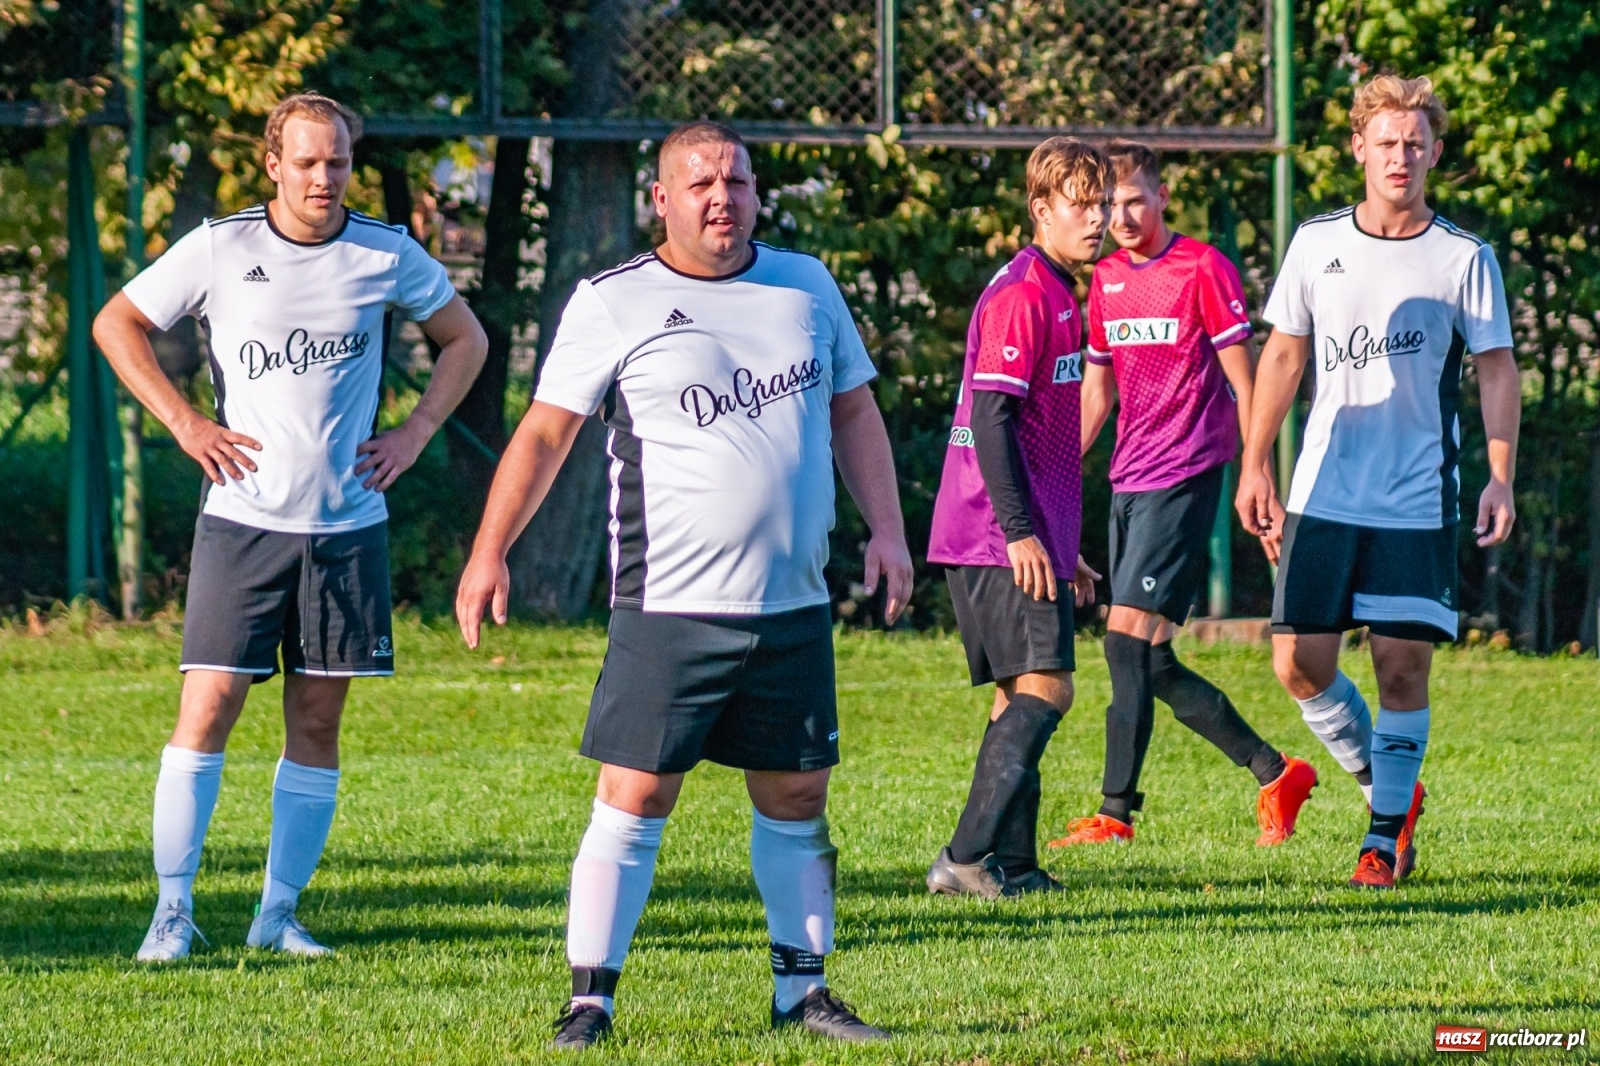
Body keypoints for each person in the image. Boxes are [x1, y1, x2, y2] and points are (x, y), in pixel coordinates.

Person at [455, 120, 912, 1049]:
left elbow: (854, 410)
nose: (721, 198)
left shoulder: (806, 285)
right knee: (634, 793)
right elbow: (545, 433)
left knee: (798, 795)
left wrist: (890, 531)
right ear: (661, 199)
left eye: (736, 181)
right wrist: (489, 549)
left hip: (791, 603)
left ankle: (803, 994)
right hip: (669, 605)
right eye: (701, 183)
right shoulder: (613, 301)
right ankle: (590, 1001)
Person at [93, 92, 488, 960]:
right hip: (243, 521)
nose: (323, 177)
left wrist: (416, 431)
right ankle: (172, 912)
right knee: (208, 707)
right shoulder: (222, 247)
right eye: (306, 162)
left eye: (337, 161)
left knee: (316, 721)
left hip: (347, 527)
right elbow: (116, 323)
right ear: (273, 164)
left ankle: (277, 915)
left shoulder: (386, 252)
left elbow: (466, 340)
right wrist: (185, 423)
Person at [1236, 75, 1519, 889]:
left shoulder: (1464, 257)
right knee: (1298, 663)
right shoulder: (1316, 243)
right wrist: (1256, 462)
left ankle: (1383, 838)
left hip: (1415, 499)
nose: (1401, 156)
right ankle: (1389, 787)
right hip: (1322, 493)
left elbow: (1498, 369)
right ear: (1359, 147)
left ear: (1435, 152)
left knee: (1400, 666)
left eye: (1415, 143)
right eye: (1387, 142)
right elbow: (1283, 355)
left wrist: (1500, 477)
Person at [1054, 141, 1318, 848]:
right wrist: (1051, 470)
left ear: (1163, 196)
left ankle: (1115, 814)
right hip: (1129, 480)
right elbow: (1097, 392)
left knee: (1122, 643)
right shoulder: (1106, 278)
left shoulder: (1203, 267)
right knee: (1150, 659)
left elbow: (1246, 381)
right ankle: (1275, 773)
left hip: (1186, 476)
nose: (1120, 217)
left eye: (1134, 200)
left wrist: (1257, 470)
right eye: (1108, 206)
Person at [922, 137, 1109, 899]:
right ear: (1040, 209)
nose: (1097, 219)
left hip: (1016, 532)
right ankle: (965, 857)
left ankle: (1014, 865)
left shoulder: (1059, 290)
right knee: (1047, 688)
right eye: (1081, 204)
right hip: (992, 532)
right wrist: (1022, 532)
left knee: (1015, 694)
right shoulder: (1024, 295)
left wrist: (1062, 543)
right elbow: (991, 420)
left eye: (1102, 204)